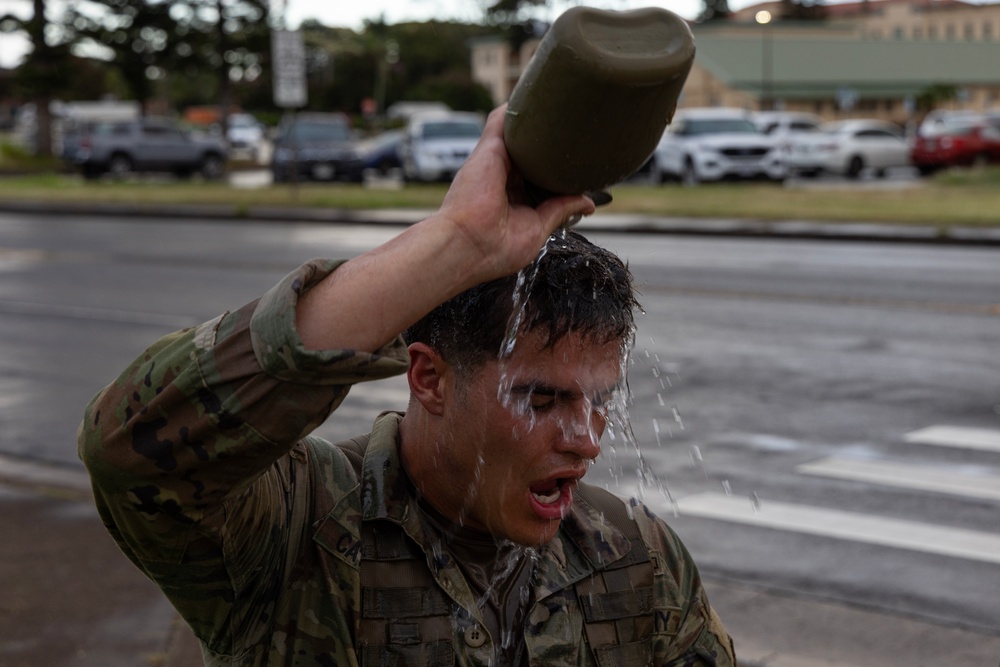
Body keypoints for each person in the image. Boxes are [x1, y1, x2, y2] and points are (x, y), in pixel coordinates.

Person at [78, 105, 736, 667]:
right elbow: (130, 451)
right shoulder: (298, 529)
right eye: (542, 399)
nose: (585, 441)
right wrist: (456, 244)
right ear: (429, 378)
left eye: (600, 401)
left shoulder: (635, 560)